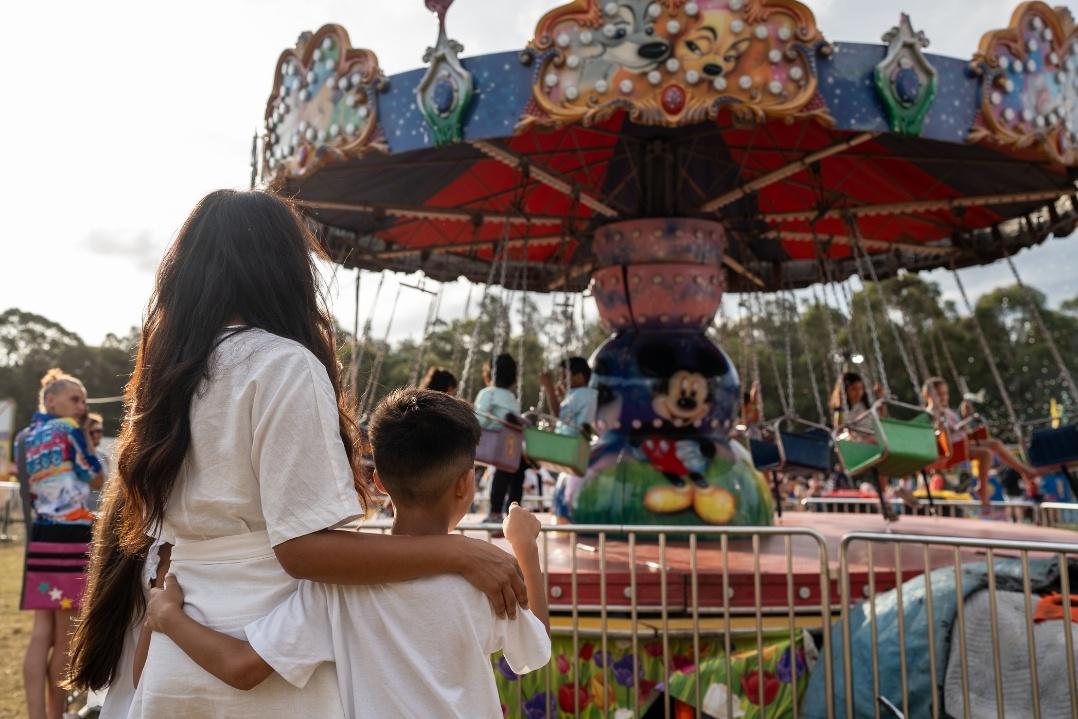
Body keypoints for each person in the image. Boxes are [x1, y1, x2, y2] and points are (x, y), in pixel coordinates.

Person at [67, 190, 526, 717]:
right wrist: (460, 551)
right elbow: (304, 550)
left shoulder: (172, 370)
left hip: (179, 640)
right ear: (284, 267)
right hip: (267, 650)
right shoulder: (282, 363)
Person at [142, 388, 550, 718]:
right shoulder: (482, 575)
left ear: (379, 483)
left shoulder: (336, 586)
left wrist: (167, 616)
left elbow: (243, 668)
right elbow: (535, 649)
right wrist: (525, 547)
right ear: (466, 484)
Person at [19, 368, 103, 719]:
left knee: (42, 632)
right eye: (74, 398)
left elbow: (28, 487)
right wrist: (86, 442)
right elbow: (95, 476)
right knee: (66, 637)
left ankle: (38, 714)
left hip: (40, 537)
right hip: (71, 538)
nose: (81, 406)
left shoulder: (24, 436)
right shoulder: (69, 431)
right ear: (50, 400)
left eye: (83, 400)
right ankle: (56, 716)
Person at [922, 376, 1040, 507]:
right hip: (947, 451)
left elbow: (962, 431)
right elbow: (937, 435)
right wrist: (942, 425)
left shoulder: (949, 412)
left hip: (960, 445)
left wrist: (965, 417)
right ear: (928, 395)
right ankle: (1019, 474)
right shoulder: (929, 414)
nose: (944, 397)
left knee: (991, 447)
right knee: (989, 450)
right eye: (939, 394)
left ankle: (1018, 473)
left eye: (945, 394)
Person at [539, 356, 598, 524]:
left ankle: (564, 517)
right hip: (570, 444)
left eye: (565, 375)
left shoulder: (583, 395)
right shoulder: (580, 394)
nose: (562, 380)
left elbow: (557, 414)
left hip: (571, 445)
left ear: (579, 377)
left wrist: (549, 388)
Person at [475, 353, 525, 523]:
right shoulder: (512, 398)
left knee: (500, 476)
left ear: (489, 373)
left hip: (496, 442)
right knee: (514, 478)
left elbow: (480, 419)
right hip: (514, 443)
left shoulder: (487, 394)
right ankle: (515, 514)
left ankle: (495, 512)